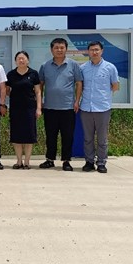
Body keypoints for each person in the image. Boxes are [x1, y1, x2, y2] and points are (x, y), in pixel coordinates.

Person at [38, 38, 83, 172]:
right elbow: (40, 85)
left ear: (66, 49)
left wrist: (77, 101)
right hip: (49, 107)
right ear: (51, 50)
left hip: (68, 107)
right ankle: (50, 159)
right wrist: (40, 102)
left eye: (62, 47)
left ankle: (66, 160)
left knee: (67, 136)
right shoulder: (45, 66)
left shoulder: (73, 65)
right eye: (56, 48)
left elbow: (79, 83)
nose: (59, 50)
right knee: (50, 135)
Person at [79, 41, 120, 174]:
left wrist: (103, 95)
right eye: (92, 50)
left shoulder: (110, 67)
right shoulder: (83, 68)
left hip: (102, 108)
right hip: (86, 108)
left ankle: (101, 162)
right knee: (88, 138)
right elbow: (80, 86)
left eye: (97, 50)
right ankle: (89, 162)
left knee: (102, 138)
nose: (94, 52)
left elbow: (115, 86)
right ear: (88, 52)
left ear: (102, 51)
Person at [6, 51, 42, 169]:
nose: (21, 60)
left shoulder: (33, 73)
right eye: (19, 59)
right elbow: (7, 90)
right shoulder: (11, 74)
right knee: (16, 135)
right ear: (15, 61)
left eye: (23, 58)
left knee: (29, 135)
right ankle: (18, 161)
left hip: (30, 109)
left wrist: (38, 108)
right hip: (15, 109)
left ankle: (27, 161)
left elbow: (38, 92)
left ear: (28, 60)